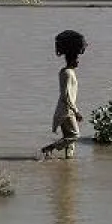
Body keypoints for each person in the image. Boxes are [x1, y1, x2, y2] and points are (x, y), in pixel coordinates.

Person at [40, 30, 86, 159]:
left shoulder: (67, 71)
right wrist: (76, 111)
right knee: (75, 136)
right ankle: (50, 148)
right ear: (72, 60)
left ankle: (69, 162)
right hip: (66, 111)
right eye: (76, 59)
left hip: (66, 110)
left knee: (69, 140)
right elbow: (66, 96)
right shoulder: (67, 73)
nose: (78, 61)